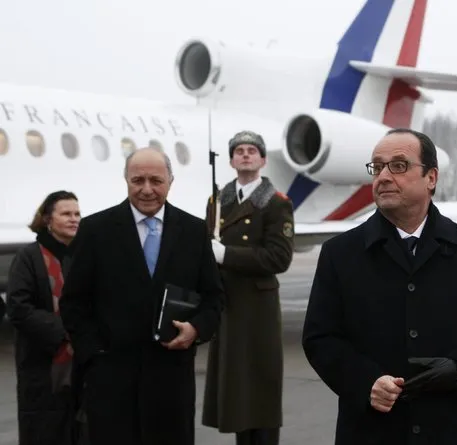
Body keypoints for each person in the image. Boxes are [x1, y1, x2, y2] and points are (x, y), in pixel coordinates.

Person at [301, 128, 457, 445]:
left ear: (431, 178)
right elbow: (320, 338)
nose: (383, 176)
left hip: (448, 429)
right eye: (377, 167)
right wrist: (366, 382)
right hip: (370, 431)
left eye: (398, 165)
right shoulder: (340, 253)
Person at [59, 147, 225, 445]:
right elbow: (73, 303)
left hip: (171, 381)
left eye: (155, 180)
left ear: (170, 182)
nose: (146, 189)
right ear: (126, 180)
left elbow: (214, 298)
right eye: (137, 180)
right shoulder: (96, 230)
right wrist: (95, 355)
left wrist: (197, 329)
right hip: (111, 382)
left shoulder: (194, 231)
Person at [201, 130, 294, 445]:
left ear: (263, 160)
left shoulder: (276, 203)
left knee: (261, 386)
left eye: (252, 150)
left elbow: (279, 258)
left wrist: (226, 254)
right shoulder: (218, 201)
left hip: (257, 308)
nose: (245, 155)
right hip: (227, 304)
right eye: (238, 150)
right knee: (237, 391)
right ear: (230, 160)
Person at [6, 190, 85, 445]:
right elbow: (18, 307)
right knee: (44, 432)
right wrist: (65, 330)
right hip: (43, 365)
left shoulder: (83, 256)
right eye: (66, 214)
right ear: (48, 219)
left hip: (82, 366)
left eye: (77, 214)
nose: (74, 219)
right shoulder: (28, 257)